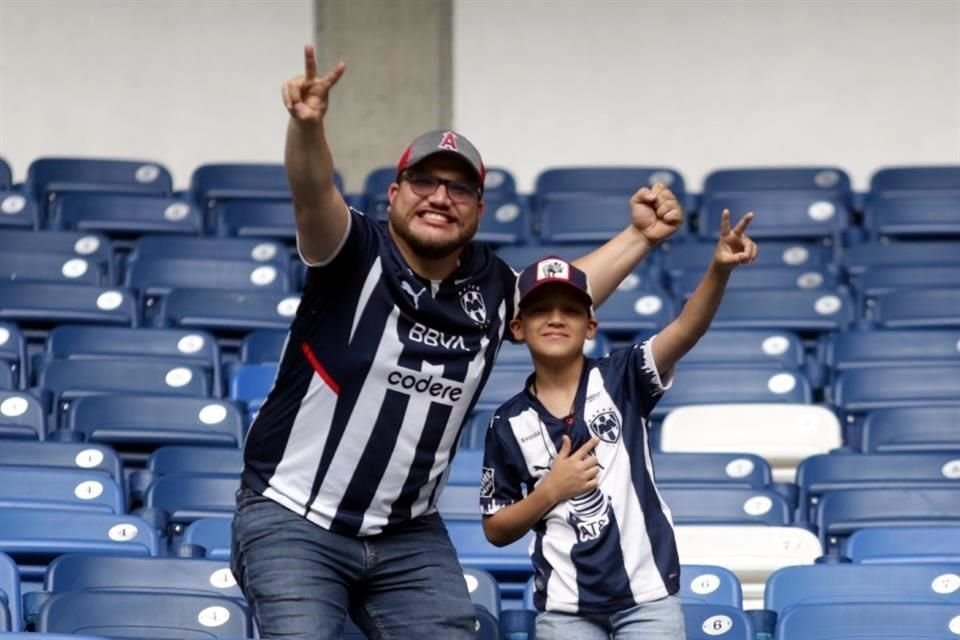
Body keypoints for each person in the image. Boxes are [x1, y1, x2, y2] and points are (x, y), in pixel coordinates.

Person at [230, 43, 684, 640]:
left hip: (407, 534)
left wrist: (640, 237)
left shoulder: (491, 288)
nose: (440, 197)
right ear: (394, 194)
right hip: (293, 518)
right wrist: (307, 127)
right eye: (423, 181)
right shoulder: (351, 254)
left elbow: (568, 292)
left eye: (459, 188)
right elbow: (313, 193)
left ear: (478, 208)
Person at [480, 210, 757, 639]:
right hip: (564, 609)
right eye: (540, 311)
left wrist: (719, 269)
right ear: (517, 327)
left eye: (570, 310)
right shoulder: (506, 422)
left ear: (590, 325)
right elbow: (496, 527)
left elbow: (686, 330)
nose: (555, 318)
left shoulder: (622, 375)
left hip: (647, 600)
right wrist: (551, 491)